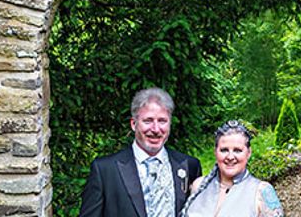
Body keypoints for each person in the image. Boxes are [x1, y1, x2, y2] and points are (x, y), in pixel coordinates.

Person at [79, 87, 202, 217]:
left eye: (162, 121)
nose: (155, 129)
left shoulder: (189, 166)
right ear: (134, 124)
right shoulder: (105, 170)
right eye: (148, 121)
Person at [180, 120, 284, 217]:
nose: (230, 157)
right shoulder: (198, 185)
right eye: (224, 150)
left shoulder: (262, 191)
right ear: (215, 152)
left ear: (248, 153)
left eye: (237, 150)